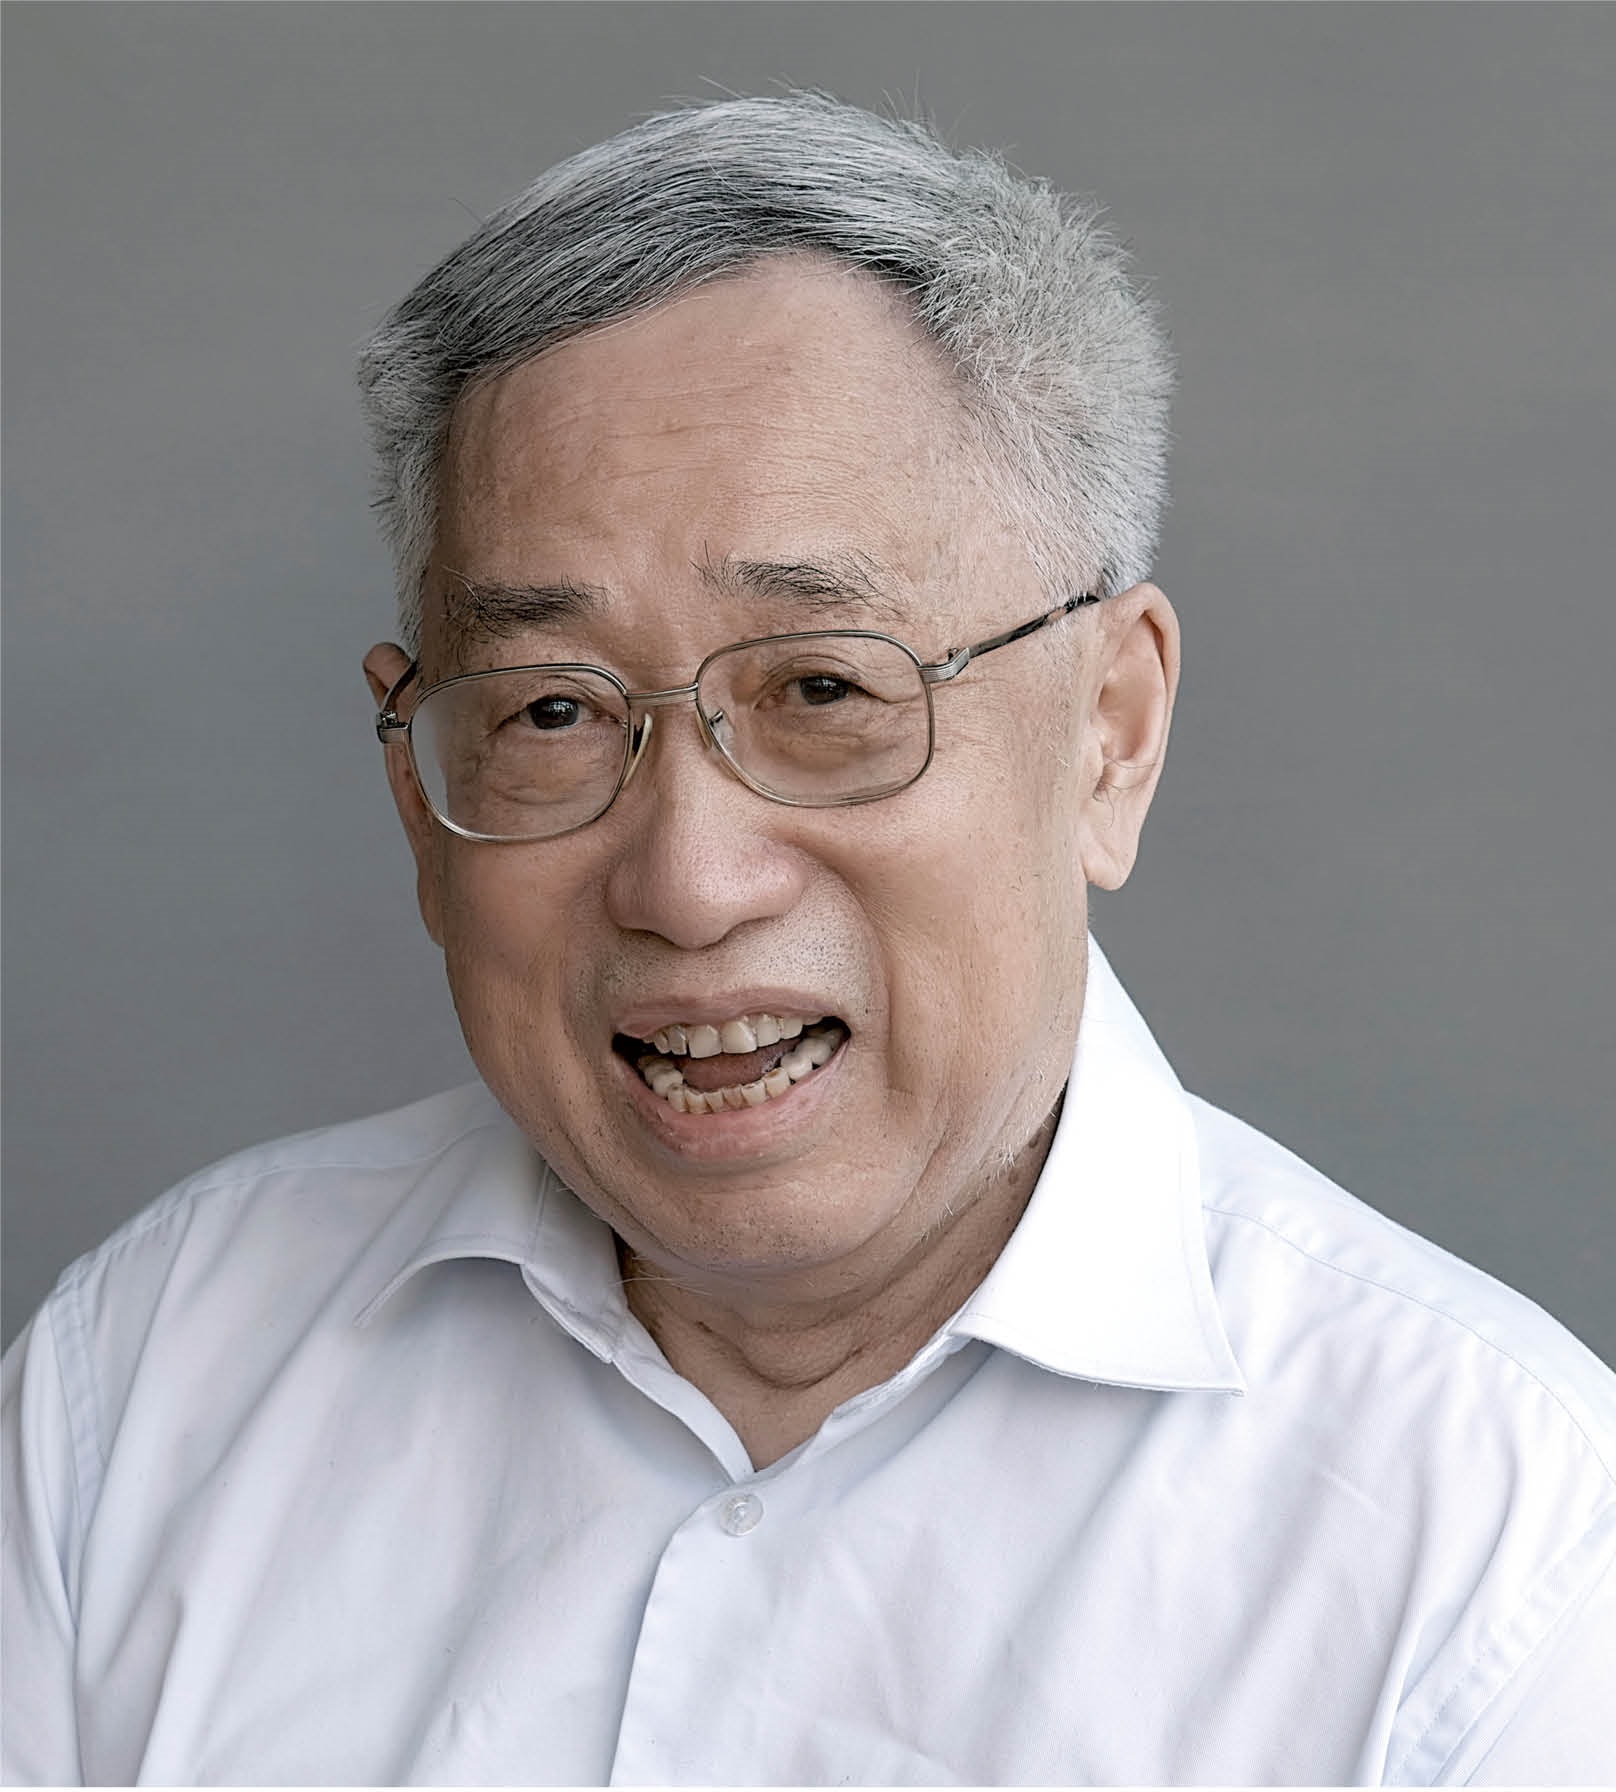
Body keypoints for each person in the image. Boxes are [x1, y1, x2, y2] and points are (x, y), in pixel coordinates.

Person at [3, 93, 1612, 1787]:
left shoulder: (1494, 1562)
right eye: (551, 710)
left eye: (825, 690)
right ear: (419, 792)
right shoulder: (153, 1384)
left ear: (1111, 731)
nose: (690, 882)